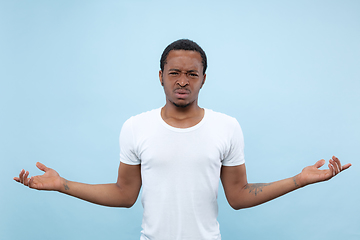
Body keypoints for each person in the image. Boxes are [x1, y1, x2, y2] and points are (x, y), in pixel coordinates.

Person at [14, 39, 351, 240]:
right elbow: (124, 194)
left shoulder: (227, 127)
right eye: (174, 72)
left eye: (192, 73)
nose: (182, 81)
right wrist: (63, 185)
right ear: (161, 76)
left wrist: (298, 180)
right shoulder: (135, 127)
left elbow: (238, 195)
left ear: (204, 79)